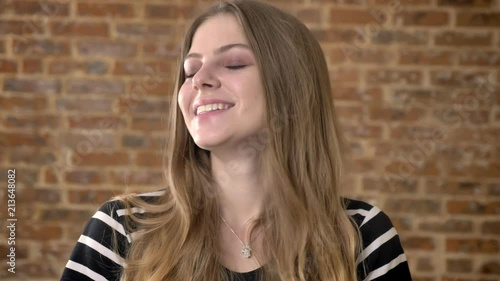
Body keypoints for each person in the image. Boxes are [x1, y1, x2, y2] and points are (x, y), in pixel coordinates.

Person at [61, 0, 412, 280]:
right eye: (191, 70)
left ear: (292, 88)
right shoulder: (120, 230)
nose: (199, 81)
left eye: (232, 63)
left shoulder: (362, 237)